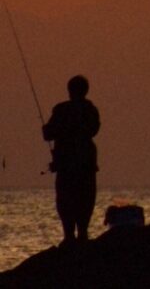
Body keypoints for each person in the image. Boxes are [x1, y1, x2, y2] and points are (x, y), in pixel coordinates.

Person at [42, 75, 101, 244]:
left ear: (69, 90)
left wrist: (48, 128)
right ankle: (82, 233)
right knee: (86, 198)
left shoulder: (61, 110)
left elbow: (48, 134)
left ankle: (69, 236)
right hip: (85, 163)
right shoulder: (90, 110)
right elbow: (94, 129)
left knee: (65, 199)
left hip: (66, 164)